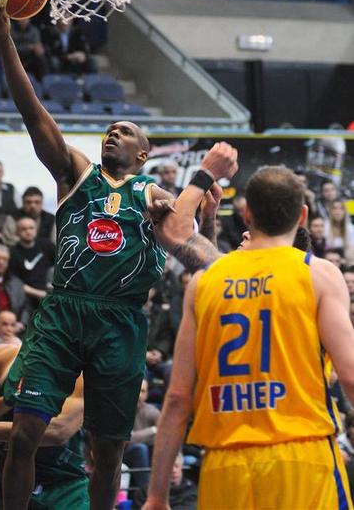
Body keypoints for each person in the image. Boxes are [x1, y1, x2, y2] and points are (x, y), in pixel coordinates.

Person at [0, 0, 238, 510]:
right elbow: (34, 114)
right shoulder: (75, 174)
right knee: (25, 432)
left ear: (143, 154)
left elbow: (197, 257)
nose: (112, 134)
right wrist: (4, 36)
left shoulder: (155, 195)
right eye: (109, 130)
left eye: (124, 132)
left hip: (120, 320)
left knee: (107, 453)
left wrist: (208, 215)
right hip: (64, 310)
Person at [143, 166, 354, 510]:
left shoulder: (205, 282)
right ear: (302, 216)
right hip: (302, 454)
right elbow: (351, 376)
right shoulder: (318, 274)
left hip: (224, 463)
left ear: (247, 215)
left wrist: (156, 495)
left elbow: (179, 397)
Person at [0, 344, 87, 510]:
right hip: (3, 480)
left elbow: (58, 431)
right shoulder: (6, 355)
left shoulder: (81, 372)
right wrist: (6, 401)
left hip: (60, 486)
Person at [9, 216, 55, 310]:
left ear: (36, 230)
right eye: (24, 229)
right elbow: (14, 282)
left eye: (31, 228)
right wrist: (38, 293)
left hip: (50, 290)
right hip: (27, 296)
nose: (28, 231)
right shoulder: (13, 253)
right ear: (17, 232)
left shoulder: (46, 245)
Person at [124, 378, 160, 493]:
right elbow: (125, 439)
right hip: (120, 454)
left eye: (143, 391)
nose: (139, 395)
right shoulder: (120, 409)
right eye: (136, 389)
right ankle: (146, 492)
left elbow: (166, 434)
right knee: (139, 449)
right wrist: (152, 431)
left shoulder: (152, 412)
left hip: (148, 456)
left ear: (147, 394)